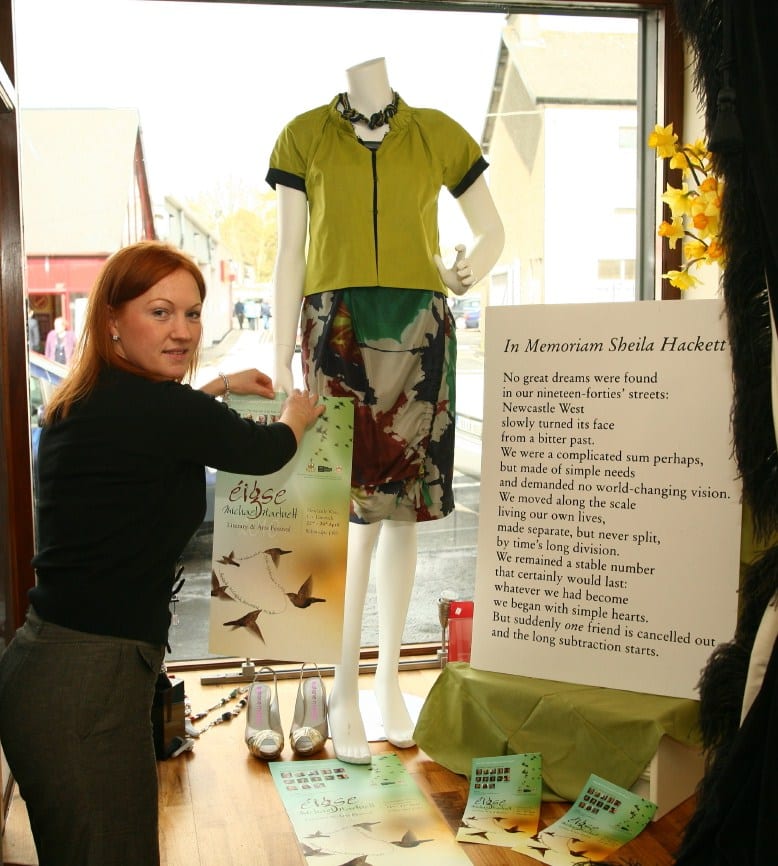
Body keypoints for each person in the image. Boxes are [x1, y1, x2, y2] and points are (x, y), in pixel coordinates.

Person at [0, 240, 323, 866]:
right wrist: (297, 414)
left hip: (53, 672)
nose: (183, 330)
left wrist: (219, 385)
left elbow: (157, 426)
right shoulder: (160, 410)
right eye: (160, 312)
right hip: (86, 685)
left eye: (193, 313)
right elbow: (263, 452)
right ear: (112, 320)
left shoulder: (84, 400)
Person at [268, 57, 504, 764]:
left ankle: (389, 679)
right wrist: (279, 349)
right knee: (347, 512)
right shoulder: (304, 136)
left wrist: (466, 269)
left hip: (419, 326)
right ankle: (343, 686)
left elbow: (493, 229)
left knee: (403, 510)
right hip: (336, 327)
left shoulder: (434, 134)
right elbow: (289, 251)